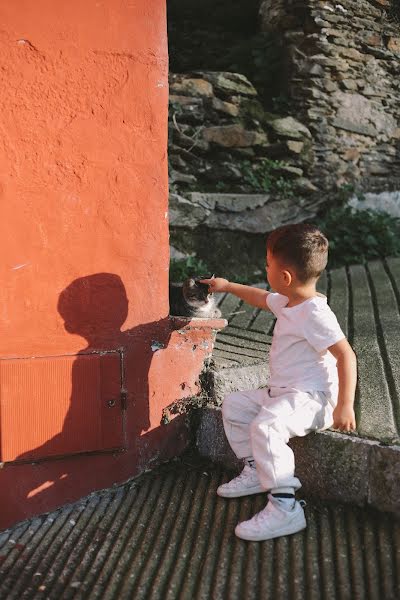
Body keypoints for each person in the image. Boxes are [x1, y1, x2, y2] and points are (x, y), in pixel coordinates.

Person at [201, 224, 357, 542]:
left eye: (268, 264)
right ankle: (257, 471)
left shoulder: (315, 313)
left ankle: (285, 508)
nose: (265, 268)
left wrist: (345, 406)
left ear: (284, 276)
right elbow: (261, 298)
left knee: (267, 427)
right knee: (235, 405)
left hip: (314, 400)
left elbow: (347, 356)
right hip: (283, 394)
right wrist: (228, 286)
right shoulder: (288, 301)